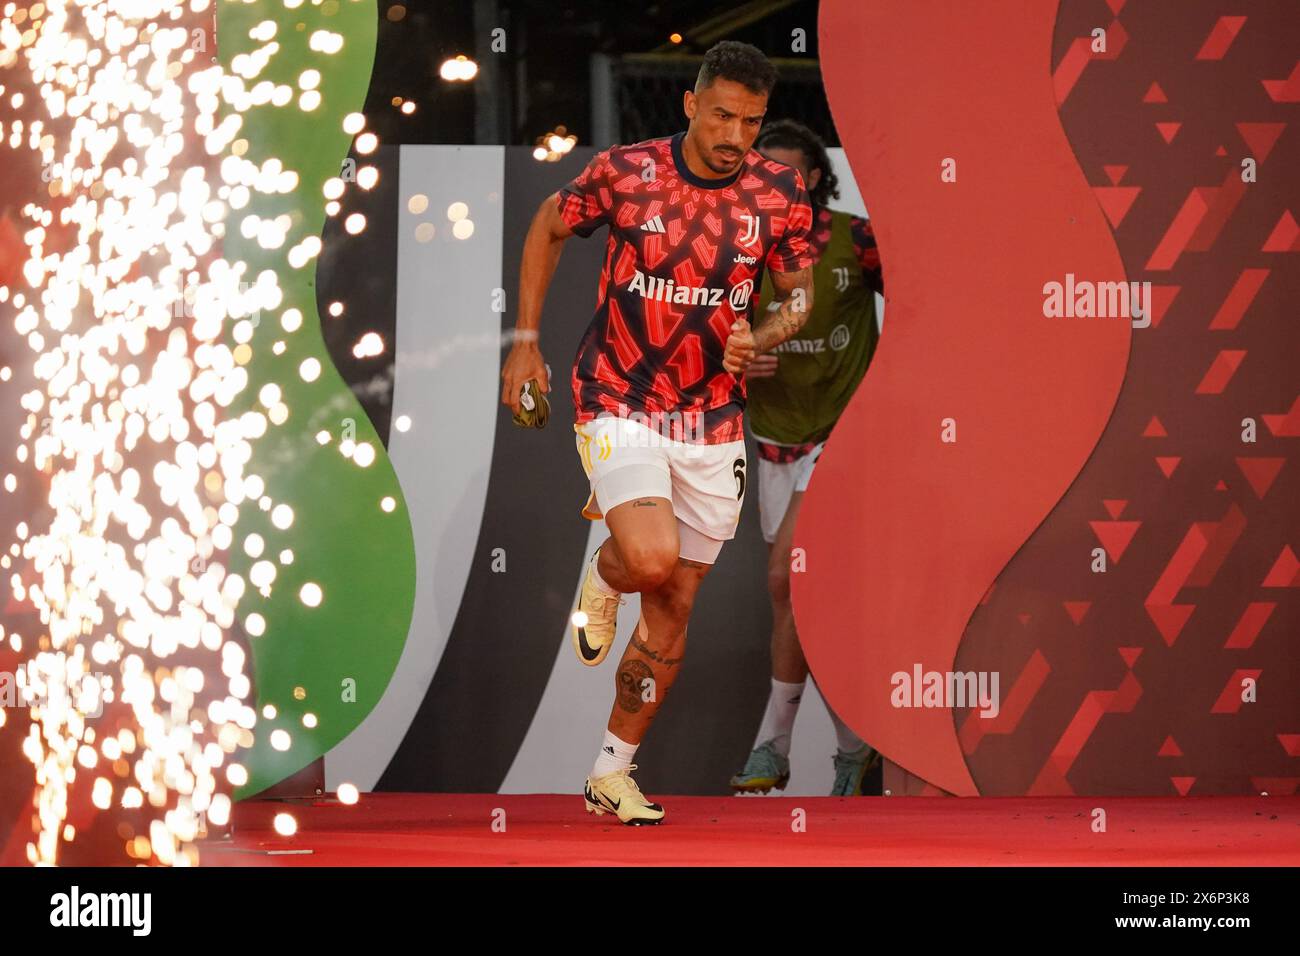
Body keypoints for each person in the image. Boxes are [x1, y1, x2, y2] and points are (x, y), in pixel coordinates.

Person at [501, 41, 815, 825]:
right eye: (721, 115)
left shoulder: (781, 193)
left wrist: (766, 336)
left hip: (713, 420)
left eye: (750, 120)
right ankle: (605, 577)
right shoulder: (627, 171)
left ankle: (612, 771)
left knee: (674, 603)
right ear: (690, 106)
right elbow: (548, 223)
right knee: (648, 557)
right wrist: (526, 340)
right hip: (620, 395)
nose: (735, 134)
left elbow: (798, 298)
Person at [728, 119, 885, 797]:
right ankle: (855, 749)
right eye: (762, 175)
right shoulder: (730, 245)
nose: (773, 187)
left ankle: (773, 746)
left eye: (788, 176)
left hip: (844, 438)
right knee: (803, 601)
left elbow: (928, 315)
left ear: (817, 178)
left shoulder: (856, 239)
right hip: (771, 444)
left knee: (786, 577)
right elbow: (698, 342)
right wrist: (734, 361)